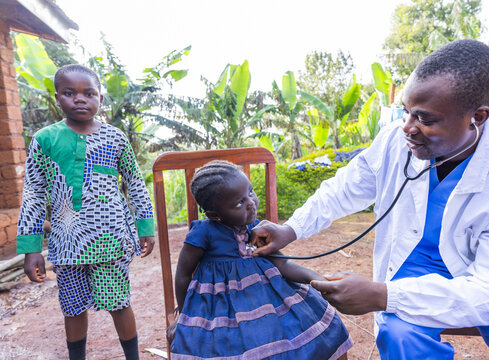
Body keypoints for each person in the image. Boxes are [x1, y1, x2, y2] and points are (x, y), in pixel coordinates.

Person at [250, 39, 489, 359]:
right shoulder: (396, 140)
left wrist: (382, 295)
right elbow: (346, 187)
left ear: (478, 117)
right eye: (405, 112)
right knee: (400, 336)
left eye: (425, 119)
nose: (408, 128)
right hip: (416, 268)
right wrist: (290, 229)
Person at [16, 64, 155, 360]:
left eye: (88, 93)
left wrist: (146, 227)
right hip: (66, 245)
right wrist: (31, 248)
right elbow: (33, 194)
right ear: (57, 98)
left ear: (100, 100)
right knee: (73, 307)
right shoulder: (45, 140)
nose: (80, 99)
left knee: (119, 302)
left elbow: (135, 183)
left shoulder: (116, 138)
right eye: (70, 93)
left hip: (111, 241)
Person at [169, 160, 353, 359]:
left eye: (250, 192)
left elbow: (283, 264)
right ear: (215, 215)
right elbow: (183, 274)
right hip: (222, 309)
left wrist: (319, 281)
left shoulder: (255, 229)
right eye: (239, 203)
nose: (251, 202)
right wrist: (184, 315)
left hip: (270, 301)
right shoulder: (203, 233)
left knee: (318, 323)